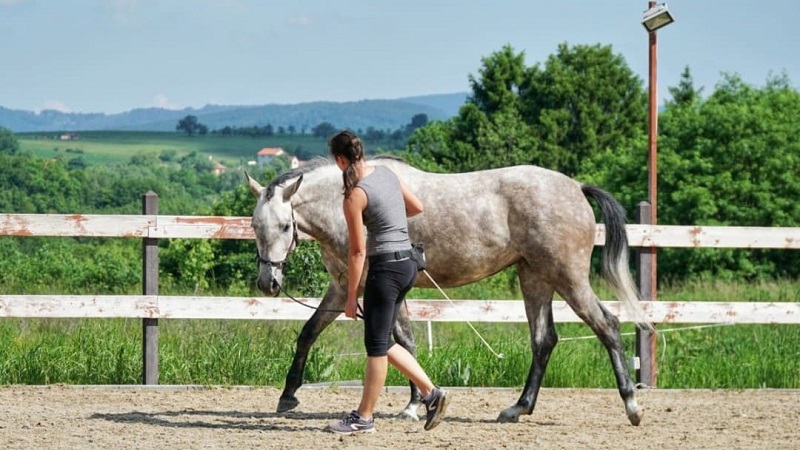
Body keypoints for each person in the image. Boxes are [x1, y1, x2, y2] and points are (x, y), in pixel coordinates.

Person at [326, 130, 449, 435]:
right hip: (408, 263)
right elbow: (416, 207)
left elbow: (357, 251)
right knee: (382, 339)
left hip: (386, 270)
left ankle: (364, 417)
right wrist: (389, 215)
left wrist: (351, 295)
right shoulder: (386, 173)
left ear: (340, 160)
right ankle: (431, 393)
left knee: (376, 346)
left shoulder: (355, 195)